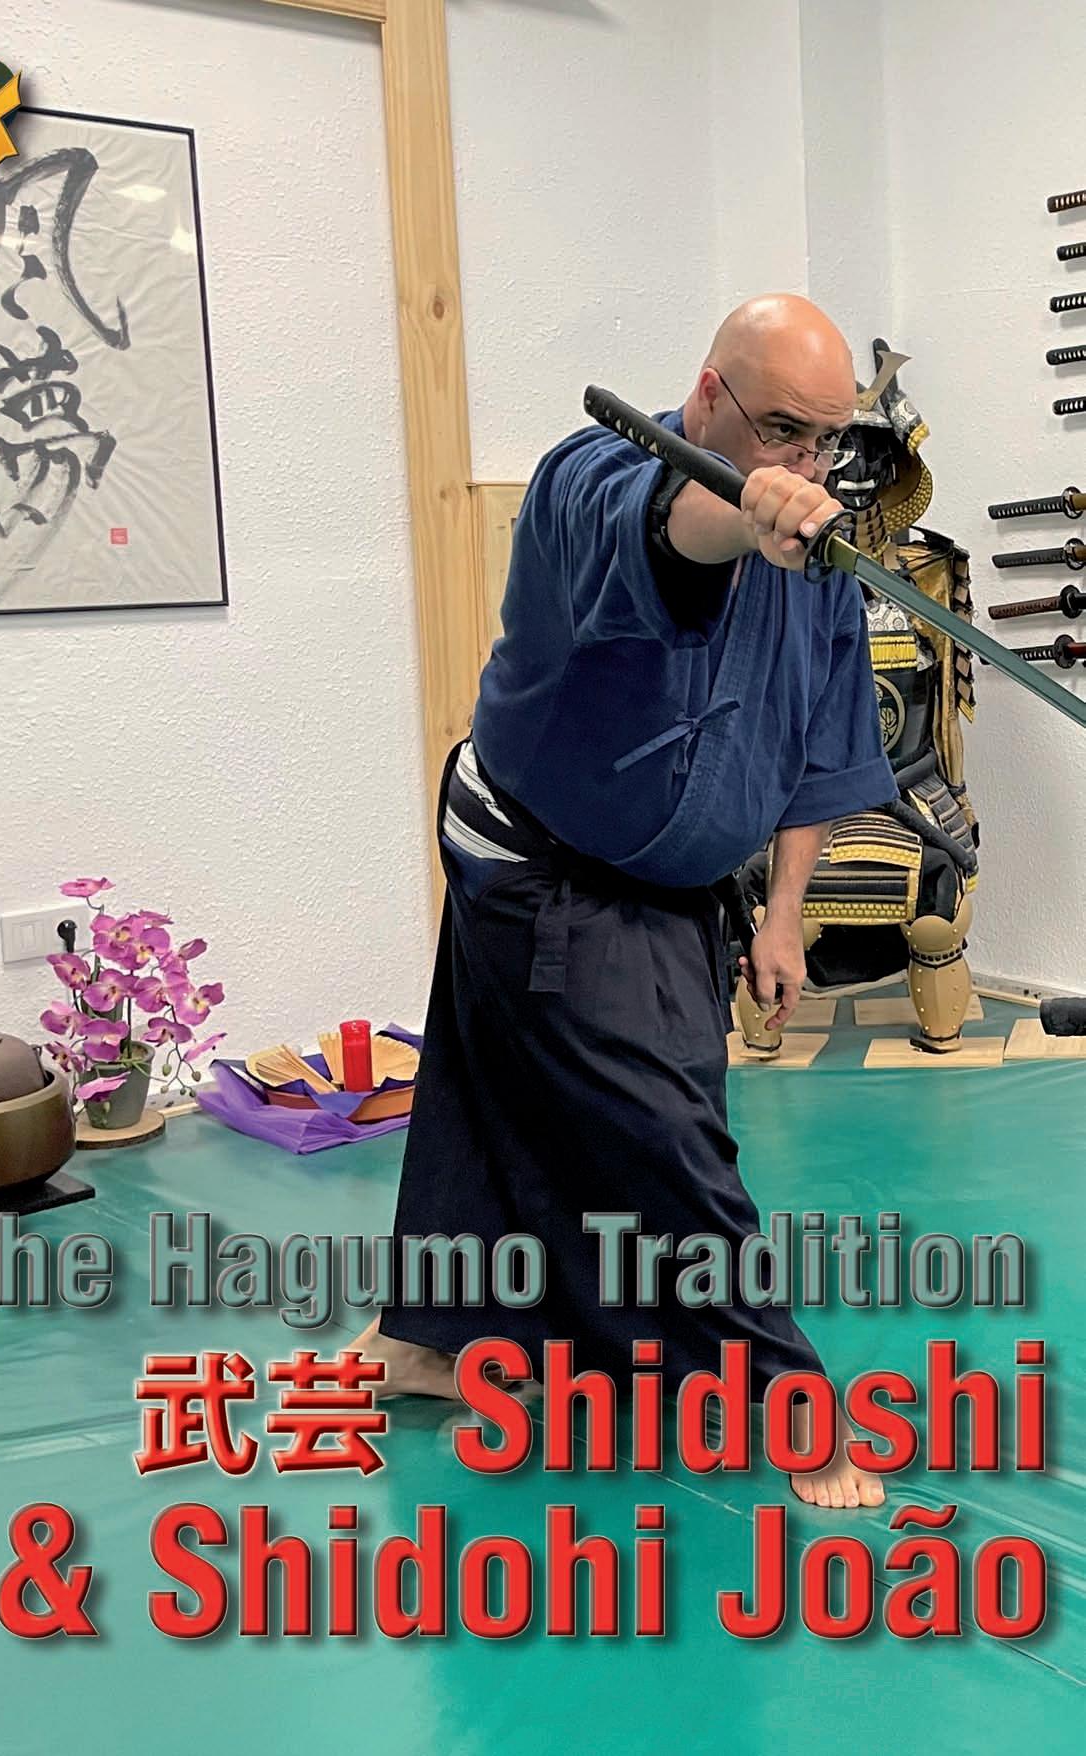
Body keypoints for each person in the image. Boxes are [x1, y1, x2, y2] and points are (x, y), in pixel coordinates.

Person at [350, 294, 897, 1510]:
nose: (808, 462)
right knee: (665, 1138)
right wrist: (742, 510)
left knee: (489, 1088)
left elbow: (820, 746)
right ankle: (792, 1409)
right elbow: (667, 532)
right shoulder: (587, 476)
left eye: (828, 438)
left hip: (678, 887)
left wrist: (782, 913)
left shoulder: (821, 553)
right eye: (782, 430)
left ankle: (426, 1339)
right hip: (540, 854)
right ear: (709, 393)